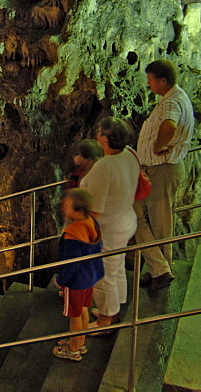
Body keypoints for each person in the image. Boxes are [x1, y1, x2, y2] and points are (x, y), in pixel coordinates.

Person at [135, 59, 194, 291]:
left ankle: (160, 271)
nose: (148, 84)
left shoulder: (172, 103)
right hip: (159, 170)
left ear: (162, 81)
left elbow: (168, 126)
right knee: (142, 217)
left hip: (162, 169)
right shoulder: (175, 98)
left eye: (150, 80)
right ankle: (159, 268)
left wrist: (158, 146)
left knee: (158, 223)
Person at [82, 117, 140, 328]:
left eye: (100, 131)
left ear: (105, 139)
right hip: (125, 219)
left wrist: (83, 232)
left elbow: (95, 208)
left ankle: (107, 319)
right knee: (117, 267)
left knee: (103, 273)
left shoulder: (104, 167)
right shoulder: (130, 153)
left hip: (108, 228)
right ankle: (118, 303)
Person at [51, 188, 104, 361]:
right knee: (84, 310)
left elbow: (70, 263)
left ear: (78, 210)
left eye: (66, 205)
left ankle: (73, 350)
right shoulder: (91, 222)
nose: (63, 208)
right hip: (90, 276)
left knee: (74, 316)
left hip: (76, 281)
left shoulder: (73, 234)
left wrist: (61, 280)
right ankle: (79, 342)